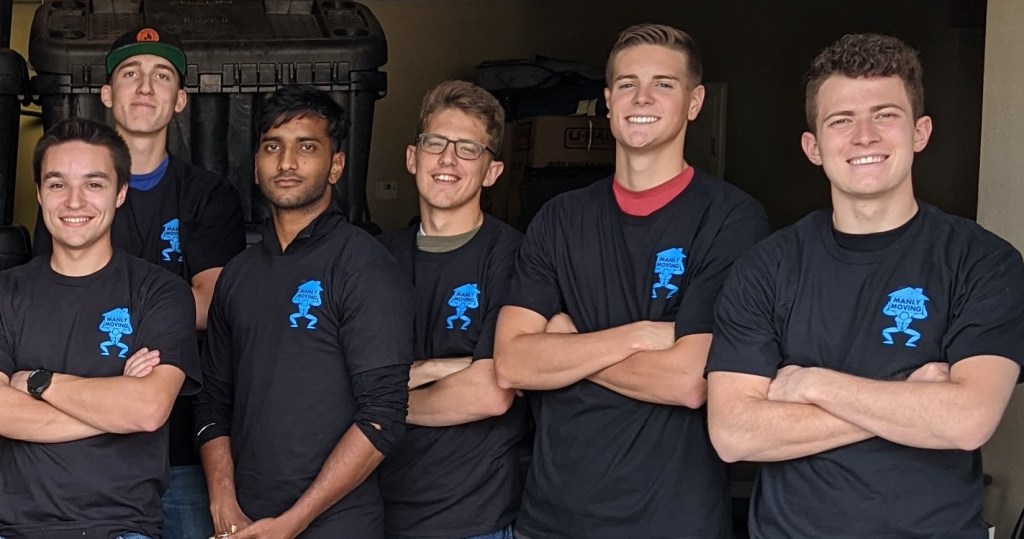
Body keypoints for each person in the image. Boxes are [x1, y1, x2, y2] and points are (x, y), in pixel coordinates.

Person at [705, 33, 1024, 538]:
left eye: (885, 114)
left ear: (920, 132)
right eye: (841, 120)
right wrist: (908, 401)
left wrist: (812, 384)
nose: (864, 136)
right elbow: (733, 434)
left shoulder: (983, 261)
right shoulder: (766, 266)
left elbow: (968, 421)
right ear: (813, 147)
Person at [492, 23, 769, 538]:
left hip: (671, 522)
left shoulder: (731, 219)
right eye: (627, 84)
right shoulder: (558, 218)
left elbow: (689, 381)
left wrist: (569, 345)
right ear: (607, 102)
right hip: (551, 521)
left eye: (664, 83)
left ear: (694, 102)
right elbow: (512, 363)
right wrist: (639, 335)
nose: (642, 98)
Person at [32, 27, 246, 539]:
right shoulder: (73, 201)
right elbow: (56, 305)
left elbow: (211, 304)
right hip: (84, 444)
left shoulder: (209, 194)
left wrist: (111, 320)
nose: (145, 87)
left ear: (181, 100)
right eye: (131, 73)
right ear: (107, 94)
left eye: (162, 76)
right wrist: (164, 324)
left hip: (184, 443)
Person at [195, 85, 413, 539]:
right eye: (272, 147)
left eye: (307, 147)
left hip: (337, 526)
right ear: (256, 166)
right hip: (244, 524)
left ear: (336, 165)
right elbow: (213, 401)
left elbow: (383, 416)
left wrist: (293, 522)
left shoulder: (363, 265)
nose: (287, 163)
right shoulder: (237, 275)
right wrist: (223, 503)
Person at [0, 118, 201, 539]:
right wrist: (114, 410)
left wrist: (38, 383)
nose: (74, 201)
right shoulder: (5, 292)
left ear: (120, 192)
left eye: (93, 184)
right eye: (57, 184)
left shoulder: (161, 292)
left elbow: (148, 409)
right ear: (39, 193)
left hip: (122, 529)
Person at [377, 80, 525, 539]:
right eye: (435, 143)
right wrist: (444, 367)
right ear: (412, 158)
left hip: (473, 519)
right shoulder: (376, 258)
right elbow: (340, 380)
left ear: (492, 172)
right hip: (377, 511)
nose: (447, 159)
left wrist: (381, 399)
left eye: (468, 149)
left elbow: (490, 393)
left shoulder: (514, 258)